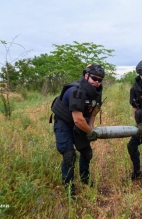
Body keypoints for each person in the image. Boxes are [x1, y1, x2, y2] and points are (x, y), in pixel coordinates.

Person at [51, 63, 104, 197]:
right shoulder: (76, 91)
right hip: (64, 123)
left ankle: (85, 180)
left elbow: (94, 109)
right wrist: (89, 132)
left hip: (80, 124)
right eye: (94, 78)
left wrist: (91, 125)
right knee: (69, 155)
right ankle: (69, 189)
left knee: (86, 152)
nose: (97, 82)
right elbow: (78, 119)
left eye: (100, 79)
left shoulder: (96, 91)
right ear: (86, 76)